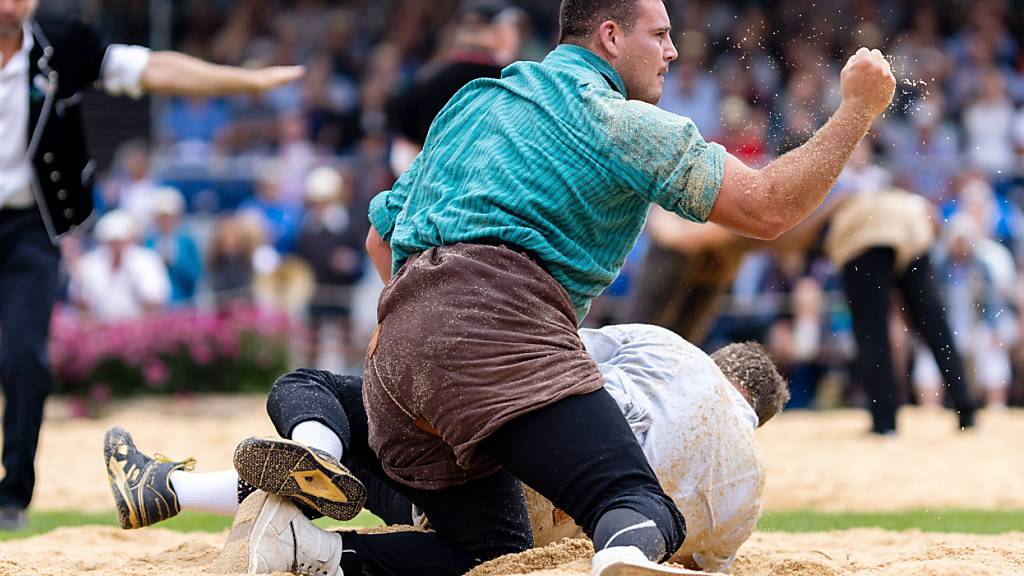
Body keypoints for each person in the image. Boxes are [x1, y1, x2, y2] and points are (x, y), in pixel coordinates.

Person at [316, 0, 890, 573]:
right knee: (638, 503)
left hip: (396, 349)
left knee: (492, 553)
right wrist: (857, 110)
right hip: (503, 330)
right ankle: (623, 553)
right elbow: (767, 209)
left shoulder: (473, 101)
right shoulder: (620, 122)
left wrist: (431, 331)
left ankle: (310, 545)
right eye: (661, 36)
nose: (670, 52)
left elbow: (376, 239)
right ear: (611, 37)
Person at [103, 324, 789, 575]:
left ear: (722, 365)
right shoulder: (748, 487)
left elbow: (561, 349)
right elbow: (701, 562)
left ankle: (312, 451)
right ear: (754, 412)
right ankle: (308, 548)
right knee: (475, 551)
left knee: (317, 391)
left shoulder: (670, 349)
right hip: (545, 530)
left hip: (515, 449)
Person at [0, 0, 303, 530]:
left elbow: (155, 68)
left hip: (31, 224)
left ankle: (10, 497)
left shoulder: (60, 41)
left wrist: (244, 83)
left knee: (25, 359)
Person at [824, 146, 977, 434]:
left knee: (873, 332)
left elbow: (814, 225)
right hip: (908, 223)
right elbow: (929, 214)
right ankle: (966, 408)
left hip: (860, 235)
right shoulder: (883, 182)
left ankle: (885, 421)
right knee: (934, 324)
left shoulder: (835, 184)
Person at [69, 210, 170, 322]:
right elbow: (80, 304)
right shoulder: (89, 263)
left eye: (120, 241)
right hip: (99, 329)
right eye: (112, 242)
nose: (117, 247)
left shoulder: (147, 260)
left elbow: (155, 299)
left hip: (138, 328)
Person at [143, 187, 202, 307]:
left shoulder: (187, 241)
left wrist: (173, 262)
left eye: (169, 217)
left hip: (183, 302)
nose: (165, 222)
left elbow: (195, 275)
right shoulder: (149, 242)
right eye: (161, 218)